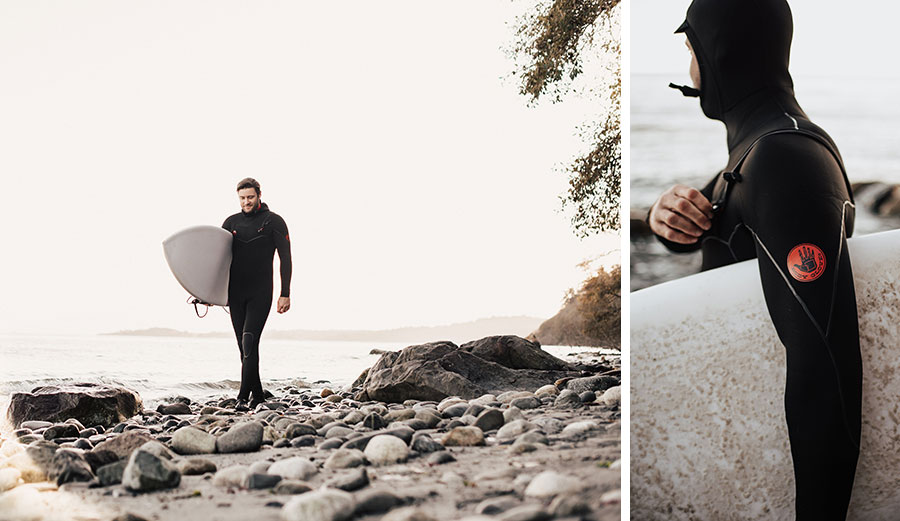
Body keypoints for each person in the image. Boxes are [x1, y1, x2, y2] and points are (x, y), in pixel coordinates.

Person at [648, 0, 861, 518]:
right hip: (730, 441)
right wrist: (666, 221)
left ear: (718, 51)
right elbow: (723, 225)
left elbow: (826, 365)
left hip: (765, 469)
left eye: (689, 48)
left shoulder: (786, 157)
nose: (688, 69)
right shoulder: (755, 152)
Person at [222, 177, 292, 410]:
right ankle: (258, 394)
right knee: (244, 347)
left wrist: (285, 293)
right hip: (236, 293)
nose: (246, 202)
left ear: (259, 195)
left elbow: (286, 258)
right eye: (242, 198)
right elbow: (216, 261)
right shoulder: (230, 222)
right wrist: (208, 292)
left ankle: (242, 397)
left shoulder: (274, 221)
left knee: (249, 340)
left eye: (250, 197)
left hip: (261, 291)